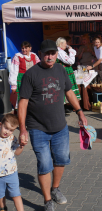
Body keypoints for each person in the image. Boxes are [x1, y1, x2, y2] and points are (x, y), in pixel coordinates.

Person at [18, 39, 87, 211]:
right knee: (44, 164)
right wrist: (23, 129)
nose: (50, 56)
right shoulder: (31, 74)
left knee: (61, 160)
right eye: (46, 53)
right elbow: (23, 103)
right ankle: (47, 200)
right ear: (40, 54)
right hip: (37, 128)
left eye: (53, 53)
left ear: (57, 54)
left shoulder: (61, 70)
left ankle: (55, 189)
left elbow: (69, 92)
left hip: (60, 127)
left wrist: (80, 111)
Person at [0, 114, 24, 211]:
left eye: (11, 130)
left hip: (11, 173)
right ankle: (2, 208)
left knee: (16, 195)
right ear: (0, 125)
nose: (7, 132)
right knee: (1, 195)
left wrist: (21, 146)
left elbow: (16, 153)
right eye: (6, 128)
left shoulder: (12, 138)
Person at [9, 41, 40, 109]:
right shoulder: (17, 56)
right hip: (21, 80)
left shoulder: (34, 56)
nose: (24, 50)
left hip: (33, 79)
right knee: (22, 98)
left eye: (26, 48)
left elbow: (39, 66)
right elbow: (14, 70)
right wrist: (13, 85)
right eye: (22, 48)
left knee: (33, 96)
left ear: (30, 48)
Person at [56, 37, 81, 108]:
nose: (66, 45)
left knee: (67, 88)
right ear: (61, 44)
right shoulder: (60, 52)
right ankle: (63, 108)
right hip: (64, 72)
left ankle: (66, 106)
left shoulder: (61, 51)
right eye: (65, 43)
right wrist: (70, 51)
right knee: (66, 88)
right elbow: (71, 61)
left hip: (66, 72)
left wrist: (70, 50)